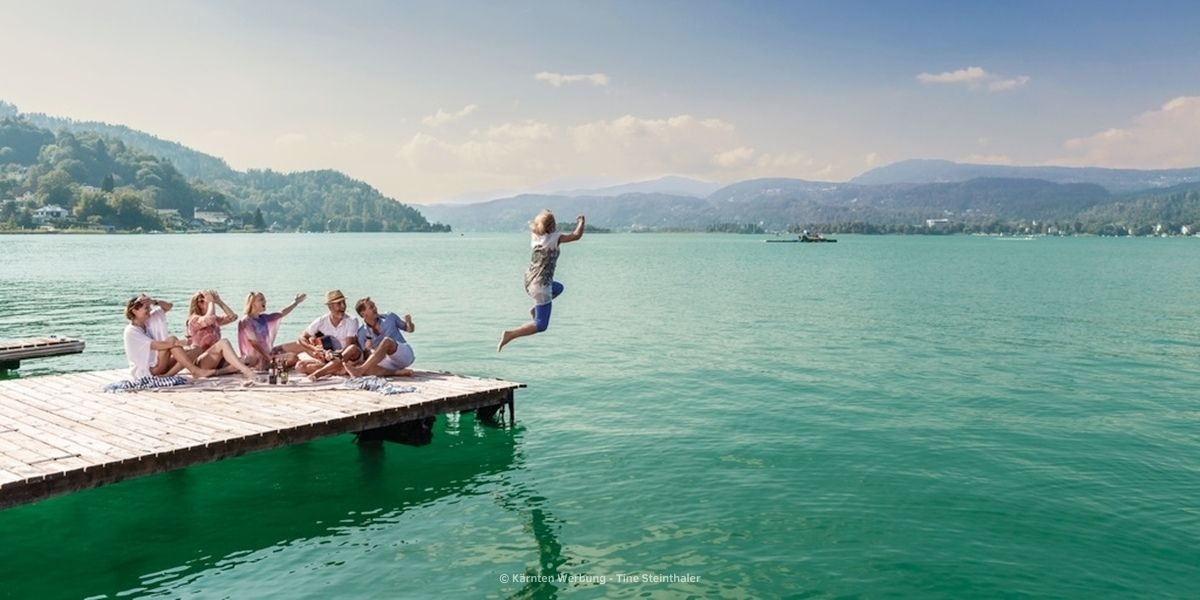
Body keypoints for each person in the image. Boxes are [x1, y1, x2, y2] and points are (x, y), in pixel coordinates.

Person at [498, 210, 585, 351]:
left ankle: (535, 309)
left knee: (558, 288)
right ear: (551, 226)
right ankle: (510, 334)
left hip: (529, 281)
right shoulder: (555, 238)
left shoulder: (535, 236)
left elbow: (540, 223)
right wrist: (581, 222)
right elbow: (576, 236)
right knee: (541, 325)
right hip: (541, 287)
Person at [123, 294, 213, 379]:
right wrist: (179, 343)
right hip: (150, 370)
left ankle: (168, 375)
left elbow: (169, 306)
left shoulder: (148, 320)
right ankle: (194, 370)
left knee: (196, 350)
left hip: (161, 362)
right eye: (146, 308)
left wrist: (153, 301)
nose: (149, 310)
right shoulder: (131, 331)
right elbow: (155, 345)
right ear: (134, 311)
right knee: (172, 340)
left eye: (149, 307)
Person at [297, 289, 362, 380]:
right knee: (300, 366)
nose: (343, 306)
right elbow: (301, 338)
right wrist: (315, 349)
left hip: (350, 357)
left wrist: (332, 354)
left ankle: (318, 374)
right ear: (330, 307)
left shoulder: (352, 320)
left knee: (352, 348)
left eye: (344, 303)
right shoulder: (321, 321)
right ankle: (338, 370)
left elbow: (348, 346)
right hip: (331, 358)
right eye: (339, 303)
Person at [345, 297, 416, 378]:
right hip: (387, 361)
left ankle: (360, 371)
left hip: (404, 354)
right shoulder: (362, 332)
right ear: (363, 313)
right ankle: (397, 372)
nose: (375, 308)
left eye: (374, 306)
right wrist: (368, 349)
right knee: (362, 365)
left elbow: (409, 329)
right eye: (371, 307)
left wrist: (409, 322)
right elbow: (365, 355)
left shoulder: (389, 316)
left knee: (387, 341)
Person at [238, 291, 307, 370]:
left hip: (269, 353)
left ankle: (322, 361)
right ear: (252, 303)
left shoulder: (264, 318)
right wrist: (269, 358)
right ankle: (273, 365)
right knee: (293, 358)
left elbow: (282, 313)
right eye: (261, 299)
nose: (265, 301)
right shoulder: (246, 321)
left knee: (302, 344)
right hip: (257, 359)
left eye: (264, 299)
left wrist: (296, 302)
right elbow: (254, 343)